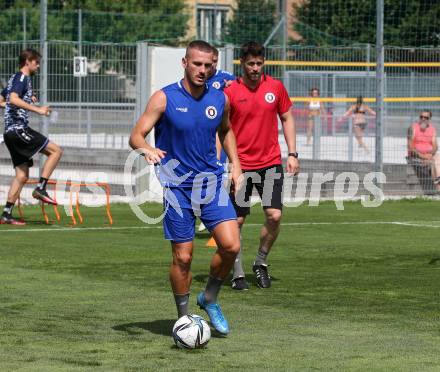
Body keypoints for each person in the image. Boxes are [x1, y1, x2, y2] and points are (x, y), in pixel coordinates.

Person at [129, 40, 242, 335]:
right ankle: (183, 317)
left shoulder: (220, 100)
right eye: (197, 64)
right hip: (178, 188)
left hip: (211, 183)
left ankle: (209, 298)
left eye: (208, 65)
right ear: (185, 63)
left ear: (214, 66)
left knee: (231, 246)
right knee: (183, 256)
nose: (202, 70)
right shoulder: (163, 98)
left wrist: (236, 165)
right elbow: (136, 135)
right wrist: (147, 150)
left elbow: (226, 130)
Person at [224, 41, 300, 290]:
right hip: (241, 165)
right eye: (250, 64)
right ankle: (237, 274)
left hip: (270, 163)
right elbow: (222, 130)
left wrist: (292, 153)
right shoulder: (230, 91)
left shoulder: (276, 87)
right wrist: (224, 164)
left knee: (274, 215)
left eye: (259, 63)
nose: (255, 68)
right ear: (242, 63)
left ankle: (261, 262)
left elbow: (287, 118)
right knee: (237, 220)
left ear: (263, 62)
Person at [0, 49, 63, 225]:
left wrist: (25, 100)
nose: (38, 65)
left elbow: (2, 100)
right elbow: (13, 98)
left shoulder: (14, 78)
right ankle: (41, 188)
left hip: (10, 133)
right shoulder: (22, 78)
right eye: (36, 62)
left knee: (21, 175)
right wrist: (38, 110)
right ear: (27, 61)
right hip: (18, 129)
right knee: (56, 151)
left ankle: (6, 213)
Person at [198, 47, 236, 233]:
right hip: (205, 136)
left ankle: (217, 212)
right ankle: (207, 210)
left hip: (222, 131)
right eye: (206, 62)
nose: (209, 65)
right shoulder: (198, 80)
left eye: (213, 61)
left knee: (220, 174)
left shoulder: (227, 78)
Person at [407, 110, 440, 191]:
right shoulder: (413, 128)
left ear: (429, 119)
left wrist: (430, 155)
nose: (423, 119)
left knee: (437, 160)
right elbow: (410, 147)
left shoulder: (432, 129)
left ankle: (438, 185)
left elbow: (435, 146)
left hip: (429, 156)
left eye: (426, 117)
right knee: (434, 162)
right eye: (421, 117)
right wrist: (423, 156)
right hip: (415, 156)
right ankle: (438, 187)